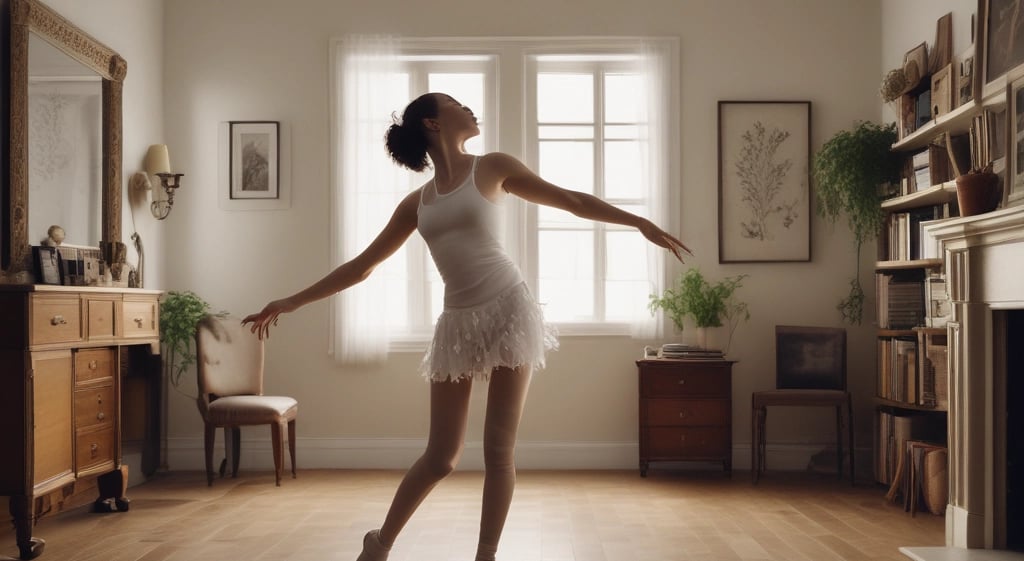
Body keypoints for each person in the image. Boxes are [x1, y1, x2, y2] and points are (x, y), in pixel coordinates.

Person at [242, 92, 691, 561]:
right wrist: (290, 302)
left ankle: (485, 556)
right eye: (456, 103)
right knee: (442, 456)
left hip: (509, 311)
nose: (469, 108)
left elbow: (571, 200)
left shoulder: (492, 167)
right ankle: (379, 543)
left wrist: (637, 221)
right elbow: (361, 267)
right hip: (456, 324)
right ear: (433, 123)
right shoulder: (417, 203)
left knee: (498, 449)